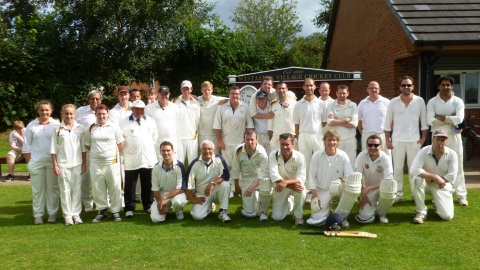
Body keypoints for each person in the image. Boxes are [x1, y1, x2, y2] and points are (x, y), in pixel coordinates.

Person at [384, 76, 428, 203]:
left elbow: (424, 122)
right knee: (397, 169)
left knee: (414, 169)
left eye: (408, 85)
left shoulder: (419, 101)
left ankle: (416, 194)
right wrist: (388, 140)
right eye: (404, 85)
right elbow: (387, 124)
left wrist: (423, 138)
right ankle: (398, 195)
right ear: (400, 87)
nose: (406, 87)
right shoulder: (393, 102)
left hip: (414, 141)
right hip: (397, 141)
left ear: (413, 87)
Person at [426, 75, 467, 206]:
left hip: (454, 137)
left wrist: (441, 118)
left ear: (452, 86)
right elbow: (429, 120)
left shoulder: (458, 101)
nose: (445, 87)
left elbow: (460, 119)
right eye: (443, 85)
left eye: (448, 85)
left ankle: (461, 195)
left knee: (458, 166)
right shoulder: (432, 101)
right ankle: (438, 194)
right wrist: (450, 120)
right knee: (438, 166)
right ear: (439, 86)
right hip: (437, 138)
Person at [305, 130, 358, 226]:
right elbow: (311, 177)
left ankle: (342, 212)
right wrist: (315, 197)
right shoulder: (316, 155)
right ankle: (327, 210)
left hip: (339, 188)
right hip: (323, 189)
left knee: (352, 187)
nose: (331, 143)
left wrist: (341, 181)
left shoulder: (343, 155)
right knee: (317, 219)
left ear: (337, 142)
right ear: (324, 141)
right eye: (329, 140)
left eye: (334, 140)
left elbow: (349, 175)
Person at [23, 100, 61, 224]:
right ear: (38, 111)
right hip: (36, 162)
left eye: (47, 110)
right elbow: (26, 146)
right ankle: (38, 215)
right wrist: (30, 163)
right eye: (42, 110)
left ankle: (52, 214)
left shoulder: (56, 124)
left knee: (53, 189)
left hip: (52, 162)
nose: (44, 112)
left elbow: (60, 144)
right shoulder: (31, 125)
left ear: (51, 111)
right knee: (38, 190)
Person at [85, 104, 125, 222]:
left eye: (104, 114)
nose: (101, 116)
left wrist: (109, 153)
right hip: (95, 162)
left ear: (108, 114)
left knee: (114, 186)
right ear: (96, 114)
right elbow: (87, 144)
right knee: (98, 187)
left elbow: (121, 144)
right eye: (99, 114)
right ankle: (101, 210)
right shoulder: (91, 127)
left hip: (111, 162)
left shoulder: (114, 126)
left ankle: (115, 211)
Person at [120, 100, 158, 217]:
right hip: (131, 158)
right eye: (137, 109)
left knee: (147, 183)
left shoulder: (150, 121)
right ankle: (129, 208)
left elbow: (154, 137)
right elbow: (120, 139)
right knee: (130, 184)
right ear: (132, 110)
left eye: (142, 109)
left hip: (147, 157)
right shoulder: (124, 122)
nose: (140, 111)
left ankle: (148, 206)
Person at [410, 130, 457, 224]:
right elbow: (413, 170)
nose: (439, 142)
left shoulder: (452, 154)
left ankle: (436, 202)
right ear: (433, 140)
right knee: (417, 179)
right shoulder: (424, 151)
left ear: (446, 142)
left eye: (443, 140)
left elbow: (452, 176)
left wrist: (437, 180)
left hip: (442, 185)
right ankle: (421, 212)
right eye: (437, 139)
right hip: (426, 184)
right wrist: (434, 177)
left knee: (447, 216)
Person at [51, 104, 87, 225]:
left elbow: (83, 148)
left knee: (76, 189)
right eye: (66, 113)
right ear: (62, 114)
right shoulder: (57, 129)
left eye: (71, 113)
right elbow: (53, 150)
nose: (69, 116)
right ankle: (67, 215)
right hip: (63, 164)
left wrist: (84, 163)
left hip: (77, 163)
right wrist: (55, 165)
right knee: (65, 190)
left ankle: (76, 214)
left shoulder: (80, 128)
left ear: (75, 114)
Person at [213, 85, 254, 193]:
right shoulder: (221, 107)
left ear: (240, 95)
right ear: (229, 95)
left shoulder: (245, 107)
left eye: (236, 94)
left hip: (240, 143)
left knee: (241, 166)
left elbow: (249, 126)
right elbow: (217, 126)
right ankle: (229, 189)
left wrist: (246, 140)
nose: (234, 96)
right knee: (227, 167)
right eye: (232, 94)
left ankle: (240, 188)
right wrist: (220, 140)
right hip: (226, 143)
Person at [184, 140, 231, 223]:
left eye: (209, 149)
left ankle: (222, 212)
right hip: (202, 194)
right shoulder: (194, 163)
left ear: (214, 150)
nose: (207, 151)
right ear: (200, 150)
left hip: (216, 190)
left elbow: (226, 175)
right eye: (204, 149)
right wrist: (193, 199)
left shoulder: (219, 158)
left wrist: (212, 184)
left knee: (225, 184)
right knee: (197, 216)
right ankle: (208, 206)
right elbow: (188, 183)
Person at [354, 135, 395, 224]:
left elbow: (388, 180)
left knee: (389, 189)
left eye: (376, 145)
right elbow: (357, 176)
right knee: (365, 217)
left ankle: (382, 213)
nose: (373, 147)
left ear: (381, 146)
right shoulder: (361, 156)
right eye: (370, 145)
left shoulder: (385, 158)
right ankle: (372, 207)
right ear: (366, 146)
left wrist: (368, 188)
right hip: (367, 191)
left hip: (382, 188)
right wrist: (363, 195)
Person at [269, 133, 306, 225]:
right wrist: (290, 186)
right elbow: (274, 174)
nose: (284, 147)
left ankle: (298, 216)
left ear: (293, 144)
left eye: (287, 144)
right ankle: (290, 203)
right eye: (282, 144)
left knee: (301, 190)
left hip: (292, 185)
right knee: (277, 217)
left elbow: (301, 178)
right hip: (280, 187)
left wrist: (286, 183)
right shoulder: (273, 155)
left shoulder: (300, 157)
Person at [232, 130, 269, 220]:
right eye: (247, 139)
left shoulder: (262, 151)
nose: (249, 142)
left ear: (257, 140)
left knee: (266, 183)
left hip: (259, 177)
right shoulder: (238, 150)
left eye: (252, 139)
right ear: (244, 139)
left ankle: (263, 212)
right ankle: (253, 200)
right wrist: (236, 186)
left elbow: (265, 171)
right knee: (250, 214)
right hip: (245, 178)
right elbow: (235, 169)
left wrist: (253, 186)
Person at [76, 89, 102, 212]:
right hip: (84, 150)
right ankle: (87, 203)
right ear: (88, 100)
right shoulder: (80, 111)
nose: (95, 101)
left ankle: (100, 201)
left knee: (98, 177)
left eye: (97, 99)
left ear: (100, 100)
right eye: (92, 99)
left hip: (99, 150)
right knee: (85, 178)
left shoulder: (104, 111)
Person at [292, 78, 324, 178]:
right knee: (305, 162)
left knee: (320, 161)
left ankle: (320, 186)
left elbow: (324, 122)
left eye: (311, 85)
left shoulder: (321, 103)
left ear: (315, 87)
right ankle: (306, 188)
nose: (309, 87)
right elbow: (296, 124)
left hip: (317, 136)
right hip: (303, 136)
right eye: (307, 85)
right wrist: (299, 136)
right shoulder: (298, 104)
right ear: (303, 87)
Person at [150, 141, 188, 223]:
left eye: (168, 150)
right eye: (163, 151)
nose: (166, 153)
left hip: (177, 194)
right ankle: (167, 209)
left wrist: (164, 198)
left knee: (178, 202)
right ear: (160, 152)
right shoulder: (156, 168)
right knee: (156, 219)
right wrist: (160, 203)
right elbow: (155, 189)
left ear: (173, 151)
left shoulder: (179, 166)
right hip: (162, 194)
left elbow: (181, 188)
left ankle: (179, 211)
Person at [326, 85, 359, 167]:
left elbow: (354, 124)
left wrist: (336, 120)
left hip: (350, 140)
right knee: (336, 165)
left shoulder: (353, 105)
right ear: (336, 93)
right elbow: (329, 122)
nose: (342, 95)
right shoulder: (331, 105)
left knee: (350, 164)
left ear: (348, 93)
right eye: (340, 93)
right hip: (336, 141)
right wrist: (345, 120)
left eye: (344, 93)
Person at [145, 86, 179, 161]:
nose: (164, 96)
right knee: (157, 164)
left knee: (172, 163)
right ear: (158, 94)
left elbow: (178, 124)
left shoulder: (175, 107)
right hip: (157, 142)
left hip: (172, 140)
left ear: (169, 94)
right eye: (162, 94)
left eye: (166, 94)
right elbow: (147, 126)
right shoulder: (149, 108)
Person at [357, 81, 390, 154]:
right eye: (371, 88)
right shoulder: (362, 103)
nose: (374, 90)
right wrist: (364, 135)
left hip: (382, 136)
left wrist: (388, 135)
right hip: (367, 135)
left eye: (376, 88)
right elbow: (359, 123)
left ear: (379, 89)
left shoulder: (387, 102)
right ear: (367, 90)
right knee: (366, 160)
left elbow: (392, 121)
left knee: (384, 159)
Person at [173, 80, 200, 164]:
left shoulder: (196, 103)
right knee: (178, 163)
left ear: (191, 89)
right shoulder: (174, 102)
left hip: (192, 138)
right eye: (184, 89)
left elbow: (197, 120)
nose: (186, 91)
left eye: (188, 89)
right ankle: (180, 178)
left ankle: (191, 178)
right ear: (181, 90)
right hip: (179, 138)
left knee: (193, 163)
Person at [197, 81, 225, 153]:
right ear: (201, 91)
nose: (207, 92)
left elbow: (231, 98)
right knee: (203, 155)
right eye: (205, 90)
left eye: (208, 90)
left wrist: (224, 101)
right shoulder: (197, 100)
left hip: (214, 134)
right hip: (201, 134)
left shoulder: (217, 99)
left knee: (214, 156)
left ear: (212, 90)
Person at [268, 82, 296, 151]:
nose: (281, 90)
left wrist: (296, 136)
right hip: (276, 139)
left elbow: (299, 121)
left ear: (287, 89)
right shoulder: (272, 104)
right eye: (279, 89)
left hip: (291, 138)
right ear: (276, 90)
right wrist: (271, 138)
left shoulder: (295, 103)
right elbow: (270, 122)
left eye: (283, 88)